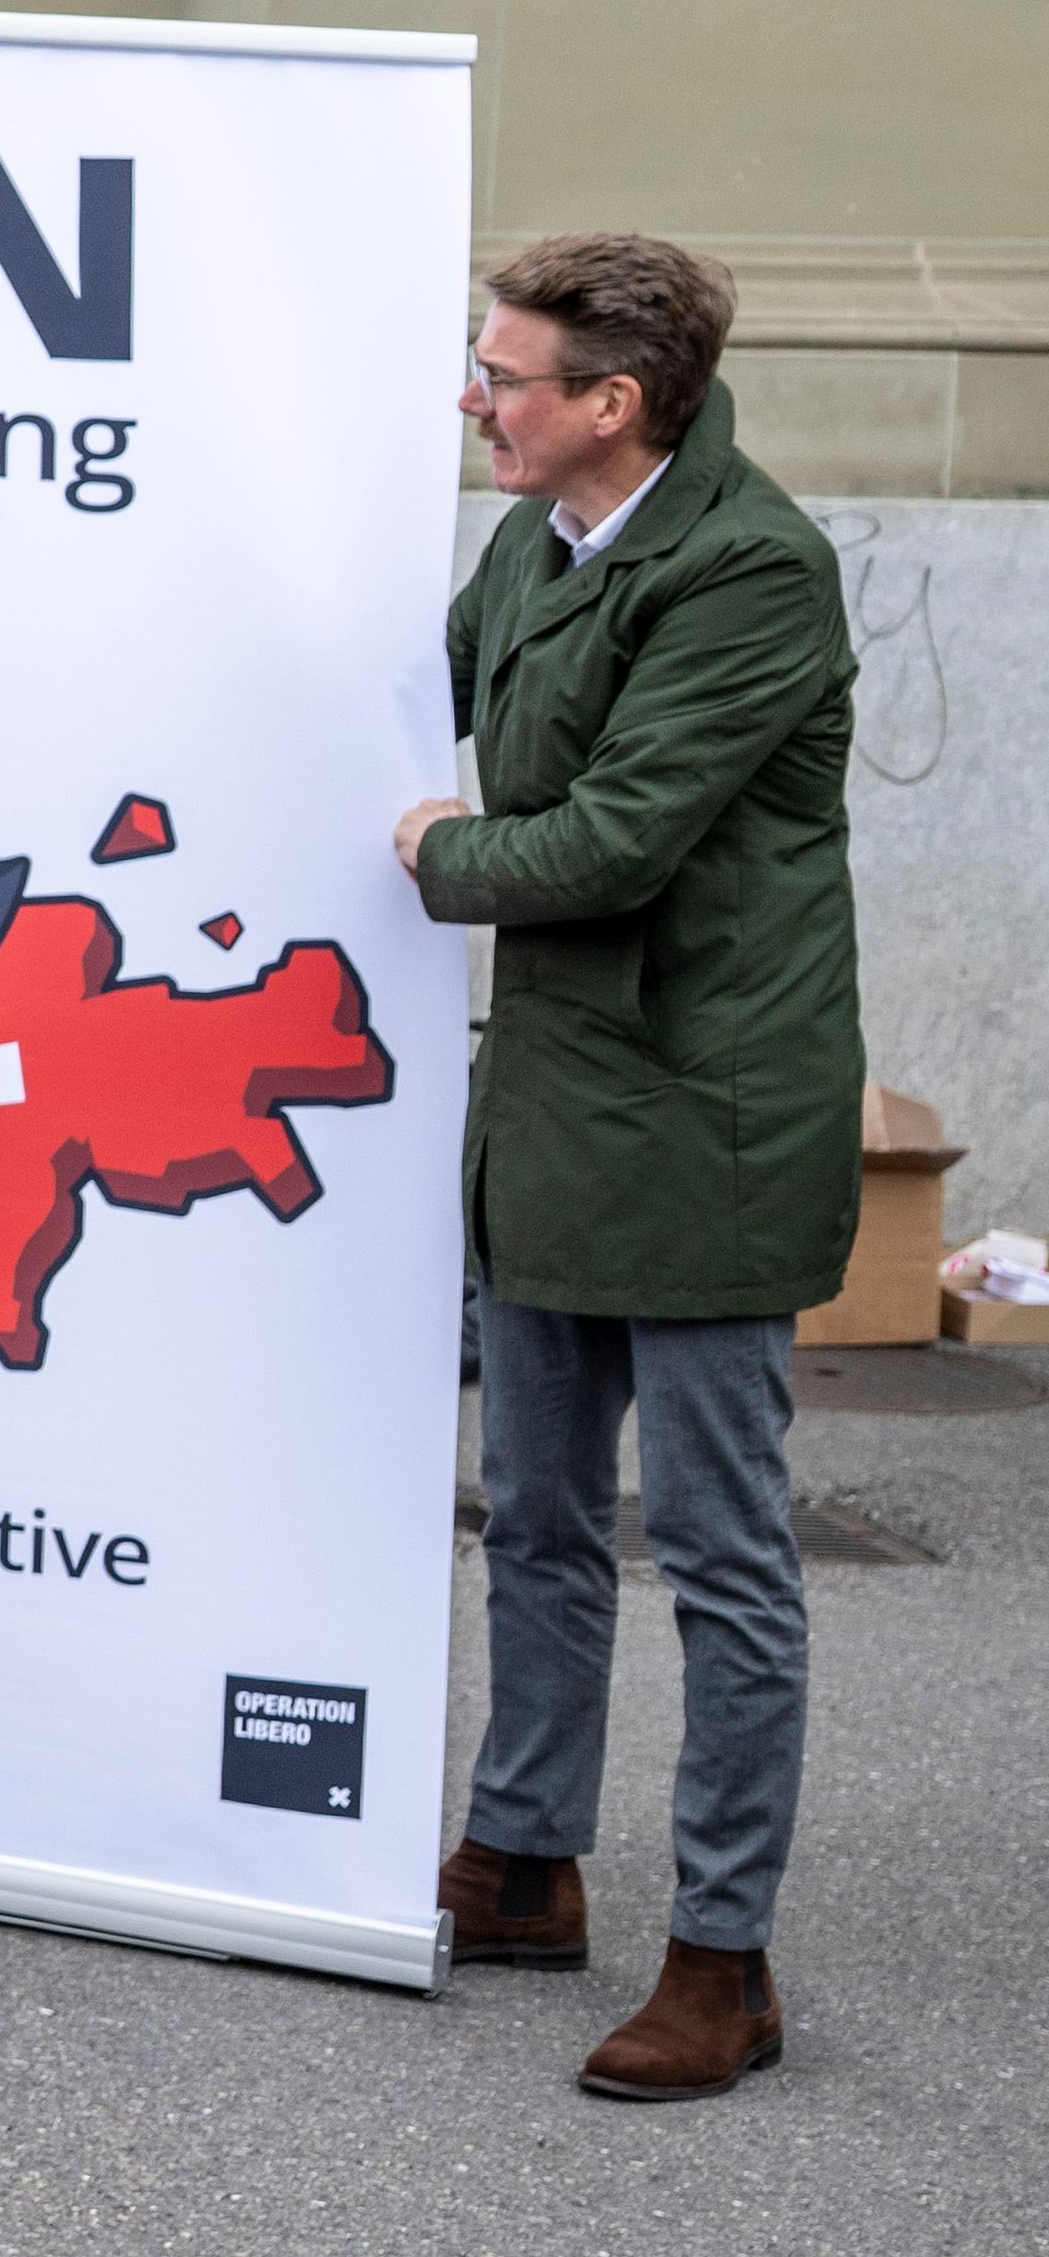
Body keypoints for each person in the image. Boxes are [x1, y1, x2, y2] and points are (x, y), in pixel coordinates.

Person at [396, 233, 861, 2101]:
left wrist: (434, 849)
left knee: (722, 1552)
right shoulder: (539, 537)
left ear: (612, 401)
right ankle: (522, 1860)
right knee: (533, 1510)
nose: (472, 400)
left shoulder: (750, 569)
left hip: (706, 1115)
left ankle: (722, 1959)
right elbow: (395, 689)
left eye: (502, 376)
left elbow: (606, 843)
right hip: (558, 1101)